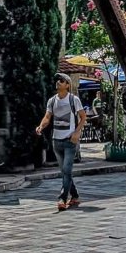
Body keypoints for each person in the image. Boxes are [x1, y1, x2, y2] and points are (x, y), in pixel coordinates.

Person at [35, 73, 87, 211]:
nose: (58, 82)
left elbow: (83, 117)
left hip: (70, 140)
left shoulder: (73, 99)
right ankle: (75, 195)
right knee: (65, 171)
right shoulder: (52, 101)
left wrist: (76, 133)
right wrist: (41, 126)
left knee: (67, 170)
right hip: (56, 141)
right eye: (57, 80)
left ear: (67, 85)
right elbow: (47, 117)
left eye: (62, 80)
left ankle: (62, 198)